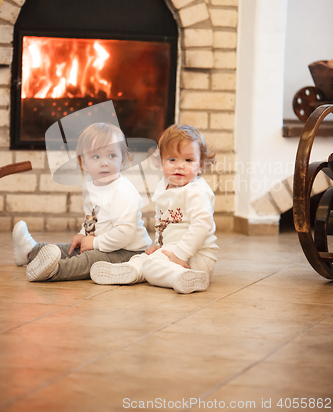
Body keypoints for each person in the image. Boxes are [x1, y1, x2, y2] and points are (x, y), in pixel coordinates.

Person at [12, 122, 151, 282]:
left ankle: (54, 271)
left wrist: (96, 242)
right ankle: (30, 252)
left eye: (112, 155)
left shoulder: (123, 191)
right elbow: (92, 219)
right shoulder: (90, 186)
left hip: (128, 251)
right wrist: (83, 234)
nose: (104, 162)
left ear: (123, 160)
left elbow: (126, 233)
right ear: (83, 162)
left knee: (88, 259)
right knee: (69, 249)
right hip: (101, 242)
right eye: (96, 156)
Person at [90, 124, 218, 294]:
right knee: (143, 258)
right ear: (161, 162)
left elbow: (202, 226)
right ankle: (129, 271)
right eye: (172, 159)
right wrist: (158, 244)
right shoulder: (165, 187)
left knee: (153, 265)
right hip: (173, 249)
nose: (179, 166)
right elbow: (165, 224)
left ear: (200, 165)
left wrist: (180, 255)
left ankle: (182, 277)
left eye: (188, 160)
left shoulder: (195, 191)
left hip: (196, 256)